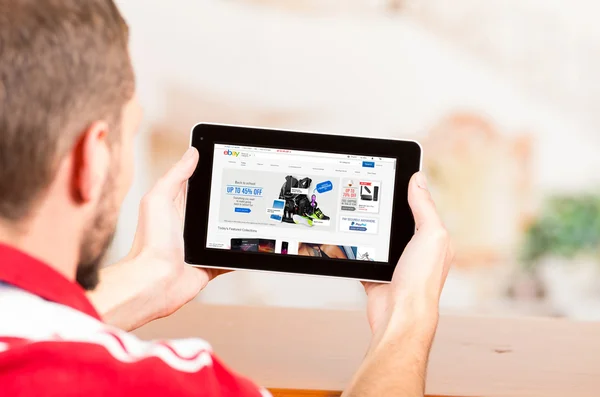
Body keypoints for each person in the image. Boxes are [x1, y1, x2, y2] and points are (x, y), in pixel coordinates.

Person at [0, 1, 453, 396]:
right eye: (129, 134)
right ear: (92, 158)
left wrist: (149, 276)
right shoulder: (162, 384)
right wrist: (407, 320)